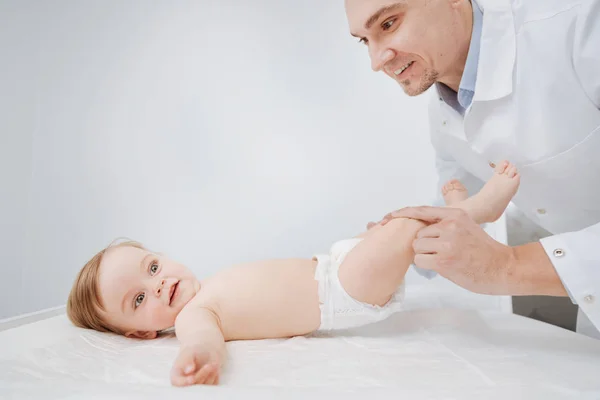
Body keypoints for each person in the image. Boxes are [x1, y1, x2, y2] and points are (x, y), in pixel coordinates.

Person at [67, 162, 520, 386]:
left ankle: (456, 214)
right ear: (142, 335)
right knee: (404, 226)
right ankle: (479, 208)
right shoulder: (191, 316)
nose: (158, 283)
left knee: (394, 232)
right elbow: (203, 340)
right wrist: (200, 360)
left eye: (152, 267)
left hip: (335, 266)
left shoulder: (210, 287)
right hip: (340, 292)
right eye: (139, 300)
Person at [344, 0, 600, 337]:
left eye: (389, 24)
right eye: (365, 40)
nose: (377, 61)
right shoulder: (446, 114)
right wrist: (392, 242)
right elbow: (458, 210)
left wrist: (507, 266)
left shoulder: (580, 29)